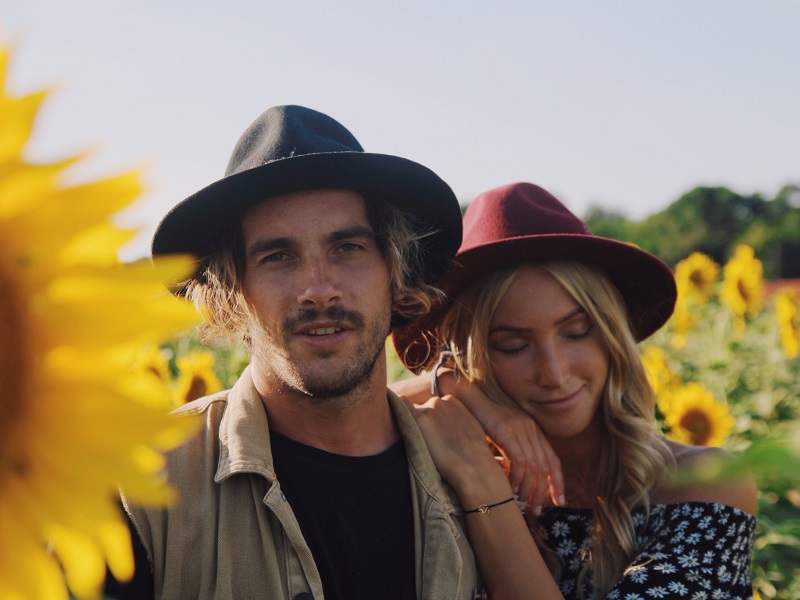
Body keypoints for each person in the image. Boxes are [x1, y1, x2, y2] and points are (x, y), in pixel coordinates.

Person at [108, 105, 482, 599]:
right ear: (232, 291)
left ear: (396, 268)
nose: (318, 289)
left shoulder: (479, 478)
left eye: (347, 248)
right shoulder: (144, 489)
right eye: (278, 256)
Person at [391, 182, 757, 599]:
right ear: (472, 357)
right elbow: (340, 419)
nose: (554, 372)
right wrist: (459, 387)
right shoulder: (436, 481)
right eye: (514, 345)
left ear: (612, 335)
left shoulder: (704, 483)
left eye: (577, 332)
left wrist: (483, 486)